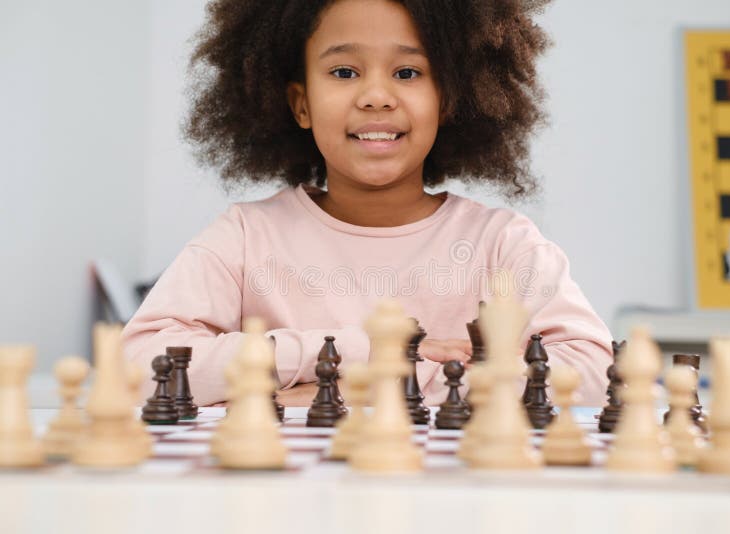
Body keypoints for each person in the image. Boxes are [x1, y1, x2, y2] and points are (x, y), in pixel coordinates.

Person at [122, 0, 613, 407]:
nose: (376, 96)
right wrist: (357, 353)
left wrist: (357, 386)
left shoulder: (502, 244)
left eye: (407, 71)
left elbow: (595, 374)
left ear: (445, 101)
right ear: (301, 104)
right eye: (343, 71)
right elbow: (140, 368)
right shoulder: (245, 237)